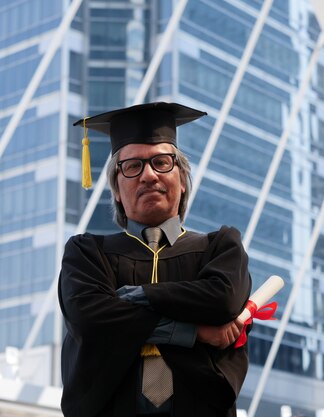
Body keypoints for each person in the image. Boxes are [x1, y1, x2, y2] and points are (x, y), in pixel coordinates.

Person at [58, 102, 252, 417]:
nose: (148, 175)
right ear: (117, 189)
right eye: (132, 166)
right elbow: (91, 317)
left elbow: (222, 300)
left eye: (162, 162)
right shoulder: (88, 254)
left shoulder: (219, 248)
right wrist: (194, 332)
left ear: (184, 179)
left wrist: (138, 296)